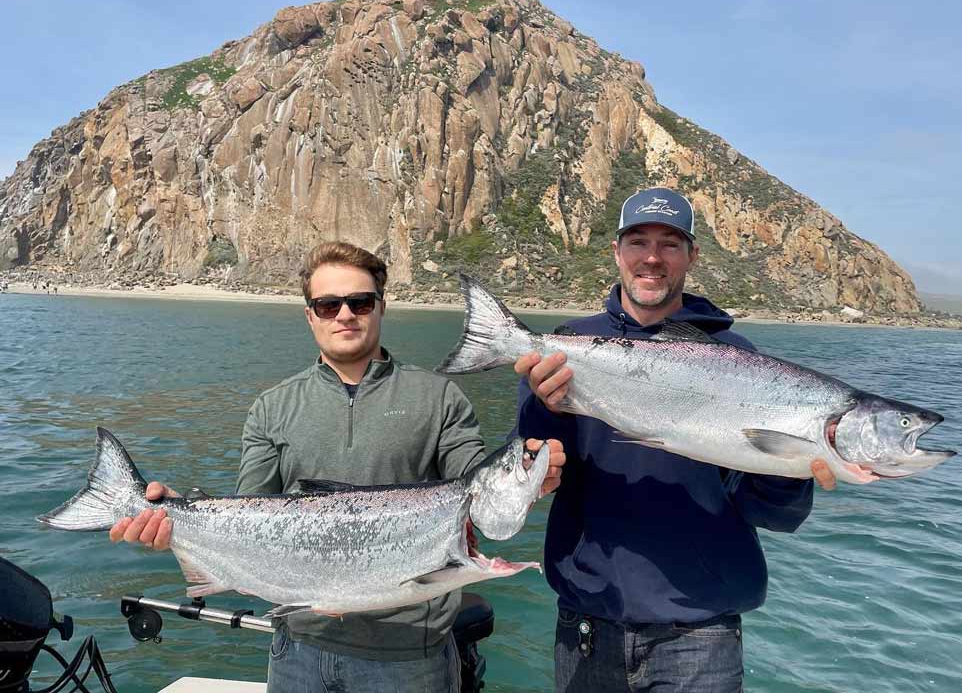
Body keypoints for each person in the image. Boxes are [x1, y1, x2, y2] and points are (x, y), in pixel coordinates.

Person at [110, 241, 565, 692]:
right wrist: (174, 516)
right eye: (328, 305)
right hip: (296, 651)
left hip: (410, 656)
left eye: (359, 301)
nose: (345, 314)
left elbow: (478, 493)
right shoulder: (272, 407)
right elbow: (247, 509)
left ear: (381, 308)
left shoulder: (441, 398)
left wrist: (529, 477)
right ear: (310, 315)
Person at [514, 188, 837, 693]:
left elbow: (773, 515)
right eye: (638, 241)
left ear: (691, 256)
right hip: (586, 623)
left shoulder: (741, 361)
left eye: (669, 243)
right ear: (616, 253)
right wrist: (542, 408)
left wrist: (791, 469)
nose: (651, 257)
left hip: (701, 633)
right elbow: (532, 477)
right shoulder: (567, 350)